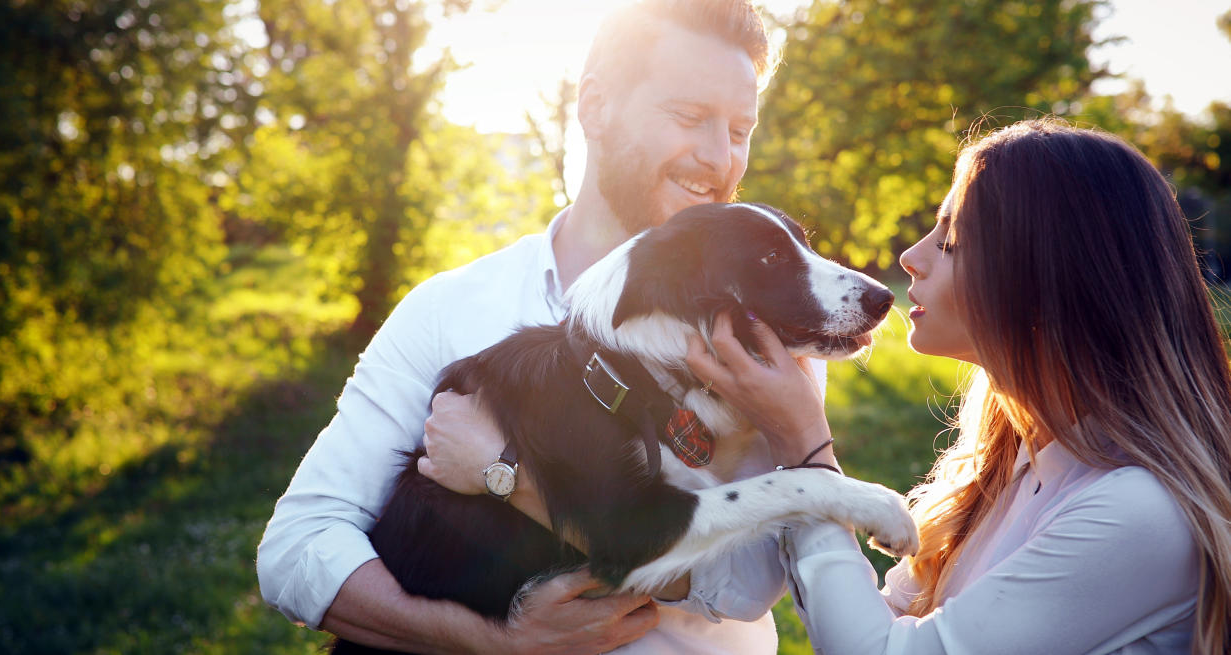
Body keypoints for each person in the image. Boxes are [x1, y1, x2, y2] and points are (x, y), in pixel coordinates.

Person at [256, 1, 807, 652]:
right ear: (596, 106)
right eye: (690, 118)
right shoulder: (450, 310)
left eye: (740, 130)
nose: (720, 159)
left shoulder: (767, 322)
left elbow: (750, 580)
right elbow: (298, 545)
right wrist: (494, 640)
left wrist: (507, 474)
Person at [683, 119, 1231, 654]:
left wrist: (804, 448)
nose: (910, 257)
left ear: (1046, 278)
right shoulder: (1010, 467)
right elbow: (856, 622)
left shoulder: (1140, 511)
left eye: (951, 240)